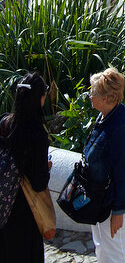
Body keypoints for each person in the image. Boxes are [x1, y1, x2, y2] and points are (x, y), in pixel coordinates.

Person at [83, 67, 125, 262]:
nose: (90, 95)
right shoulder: (105, 116)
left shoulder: (121, 126)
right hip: (100, 197)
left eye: (93, 92)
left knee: (118, 248)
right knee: (103, 245)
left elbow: (123, 172)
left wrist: (119, 210)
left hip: (112, 201)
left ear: (107, 98)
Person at [0, 71, 51, 263]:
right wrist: (45, 168)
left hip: (3, 210)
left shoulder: (4, 123)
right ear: (39, 98)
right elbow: (38, 183)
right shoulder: (37, 135)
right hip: (24, 213)